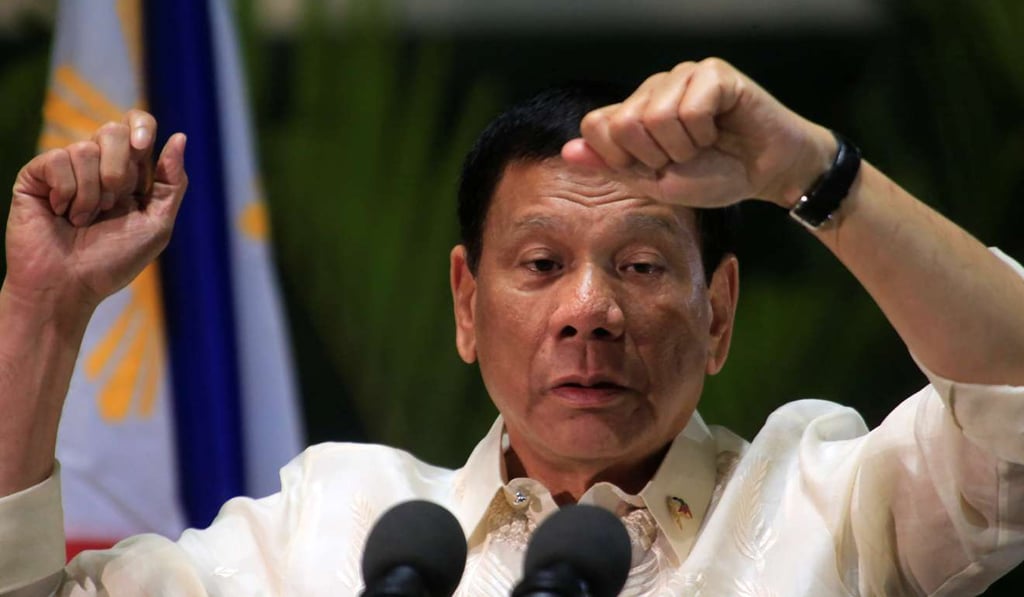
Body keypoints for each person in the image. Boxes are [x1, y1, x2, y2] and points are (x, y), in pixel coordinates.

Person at [1, 58, 1023, 596]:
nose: (590, 311)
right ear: (463, 303)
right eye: (539, 265)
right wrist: (43, 317)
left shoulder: (830, 502)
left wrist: (812, 172)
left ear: (718, 315)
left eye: (639, 265)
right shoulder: (332, 534)